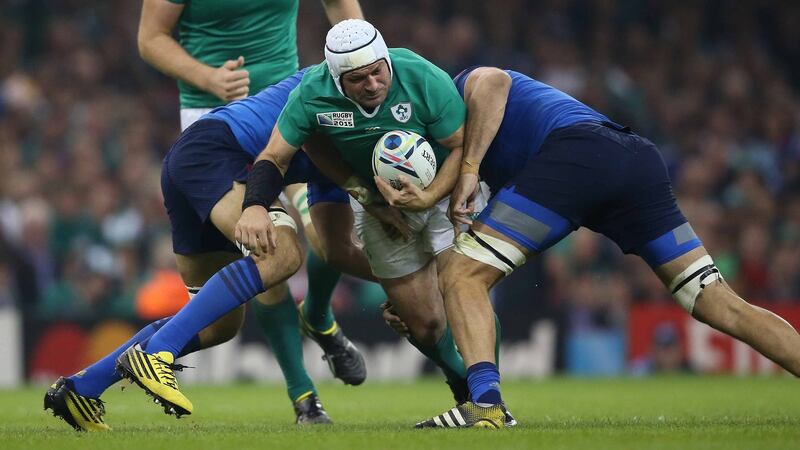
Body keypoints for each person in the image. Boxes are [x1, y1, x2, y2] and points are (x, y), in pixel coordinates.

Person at [387, 66, 800, 428]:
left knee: (464, 273)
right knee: (715, 301)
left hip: (577, 153)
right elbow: (469, 246)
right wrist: (418, 298)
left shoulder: (454, 91)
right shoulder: (467, 150)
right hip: (634, 160)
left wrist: (470, 168)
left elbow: (493, 80)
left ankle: (486, 408)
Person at [43, 69, 374, 431]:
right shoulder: (327, 102)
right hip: (217, 154)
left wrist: (398, 281)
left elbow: (335, 248)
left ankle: (81, 389)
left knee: (219, 325)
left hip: (190, 161)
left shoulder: (346, 155)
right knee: (281, 254)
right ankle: (158, 353)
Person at [133, 0, 367, 424]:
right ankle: (304, 397)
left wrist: (360, 65)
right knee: (268, 257)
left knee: (326, 239)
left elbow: (339, 6)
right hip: (218, 124)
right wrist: (208, 77)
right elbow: (150, 38)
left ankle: (318, 317)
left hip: (289, 109)